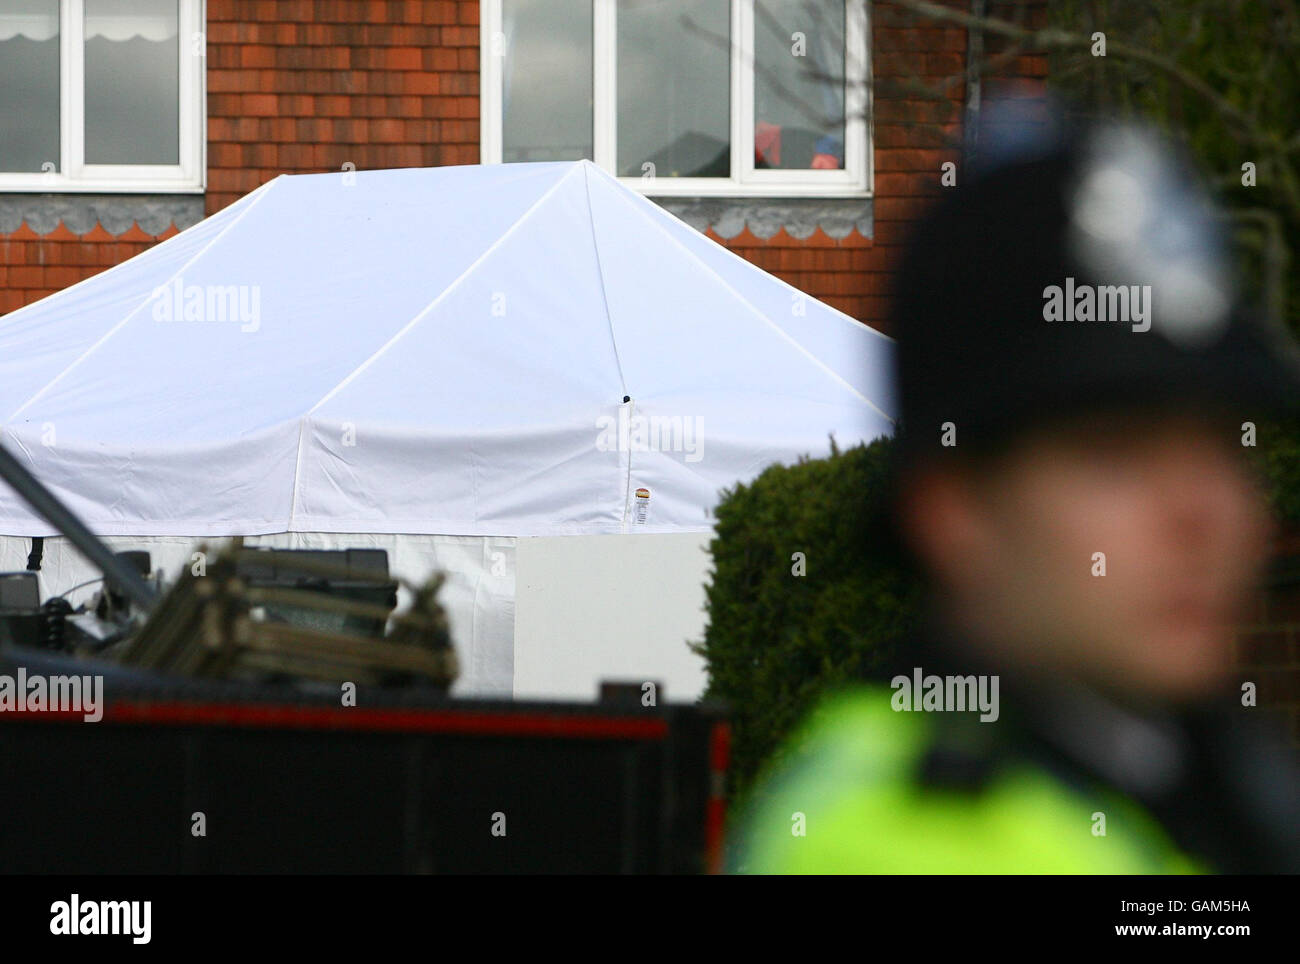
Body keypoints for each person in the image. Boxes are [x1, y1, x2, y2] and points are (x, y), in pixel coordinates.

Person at [728, 118, 1300, 873]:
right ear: (951, 509)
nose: (1203, 513)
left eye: (1225, 445)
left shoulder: (1168, 757)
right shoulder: (906, 842)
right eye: (1114, 452)